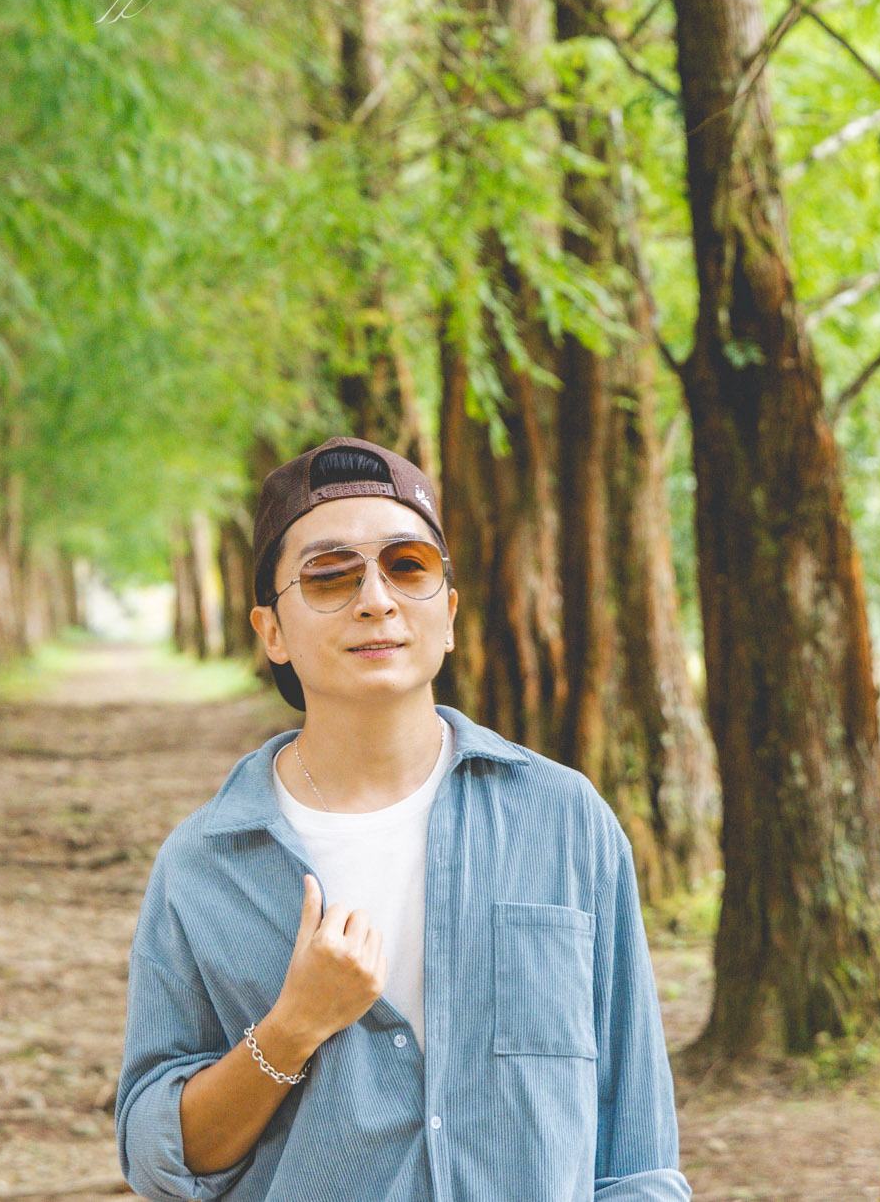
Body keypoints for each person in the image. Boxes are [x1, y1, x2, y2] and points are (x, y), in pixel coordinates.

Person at [116, 436, 690, 1201]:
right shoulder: (204, 864)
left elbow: (638, 1154)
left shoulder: (561, 818)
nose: (376, 599)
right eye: (329, 575)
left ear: (447, 613)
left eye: (407, 566)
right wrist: (292, 1027)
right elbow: (162, 1160)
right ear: (272, 632)